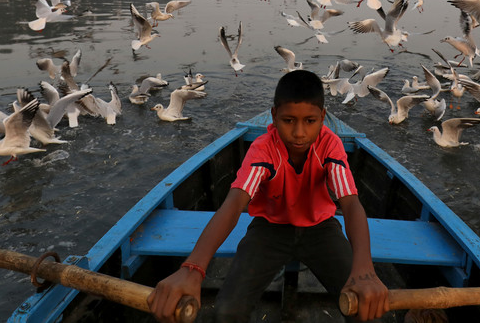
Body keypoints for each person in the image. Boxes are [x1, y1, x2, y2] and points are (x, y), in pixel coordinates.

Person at [148, 69, 390, 322]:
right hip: (269, 229)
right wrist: (193, 268)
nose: (299, 133)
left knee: (365, 310)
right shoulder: (263, 149)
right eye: (288, 121)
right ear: (274, 116)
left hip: (321, 229)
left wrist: (365, 270)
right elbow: (233, 205)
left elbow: (350, 204)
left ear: (322, 118)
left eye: (310, 121)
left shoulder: (330, 145)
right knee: (226, 312)